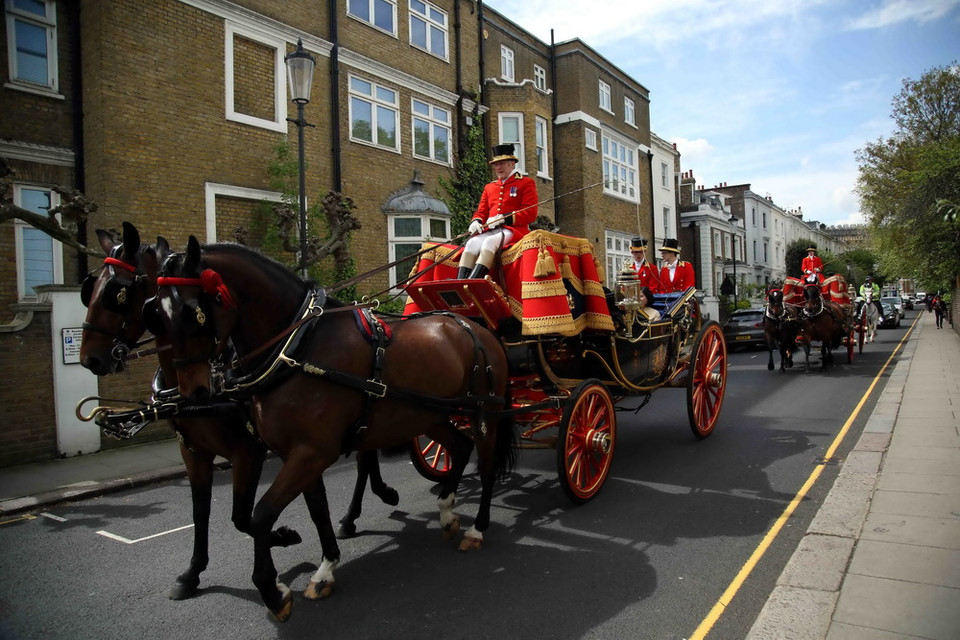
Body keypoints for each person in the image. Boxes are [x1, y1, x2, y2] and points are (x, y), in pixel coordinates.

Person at [457, 143, 538, 279]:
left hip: (513, 230)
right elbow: (481, 211)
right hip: (491, 229)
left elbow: (530, 213)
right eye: (496, 164)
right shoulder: (490, 187)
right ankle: (460, 281)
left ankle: (473, 281)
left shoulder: (525, 183)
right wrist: (476, 221)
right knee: (471, 243)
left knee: (489, 242)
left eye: (502, 163)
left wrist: (504, 218)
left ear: (512, 163)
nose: (498, 168)